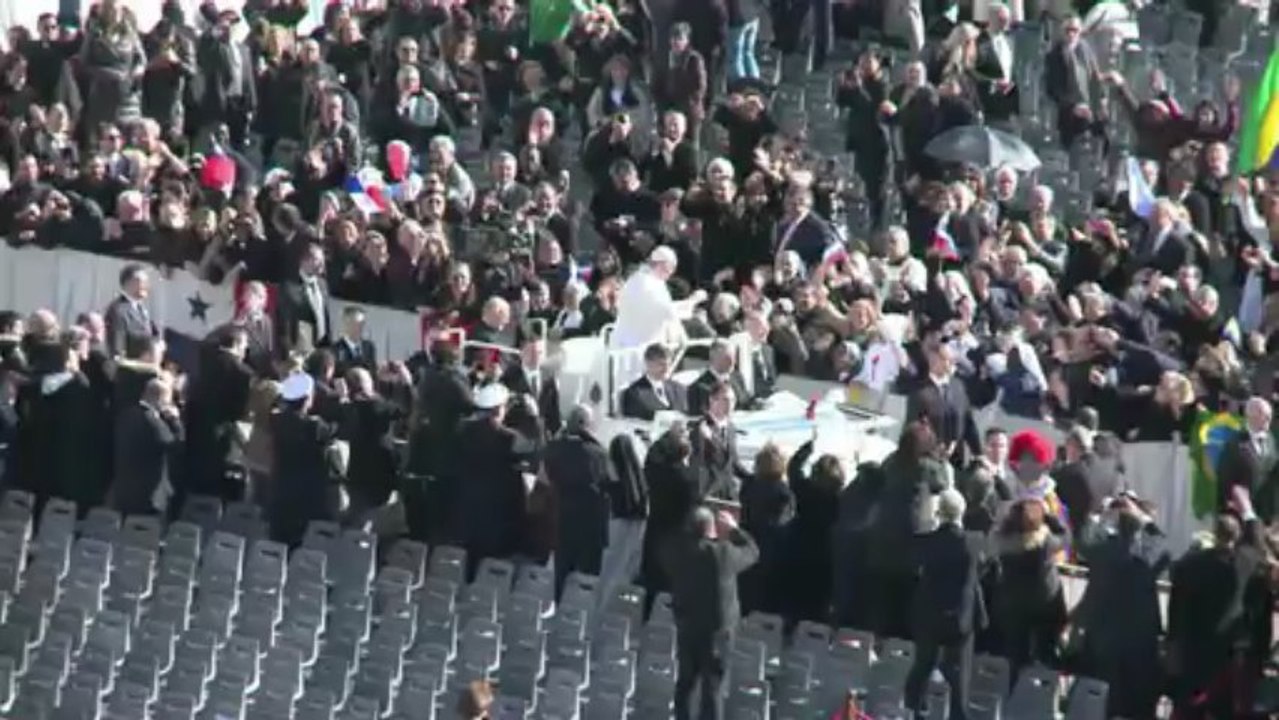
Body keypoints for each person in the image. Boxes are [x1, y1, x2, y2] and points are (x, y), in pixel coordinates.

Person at [1168, 490, 1274, 720]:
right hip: (1233, 658)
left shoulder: (1190, 566)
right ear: (1237, 537)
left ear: (1214, 534)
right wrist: (1247, 511)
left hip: (1196, 655)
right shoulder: (1249, 562)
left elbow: (1177, 612)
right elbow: (1259, 546)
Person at [1073, 494, 1171, 720]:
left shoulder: (1104, 550)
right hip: (1140, 638)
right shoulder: (1148, 555)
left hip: (1104, 635)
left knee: (1103, 701)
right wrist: (1145, 520)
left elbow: (1084, 541)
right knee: (1137, 703)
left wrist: (1098, 513)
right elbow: (1165, 549)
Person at [668, 505, 758, 720]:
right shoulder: (722, 554)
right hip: (717, 633)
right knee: (713, 688)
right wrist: (734, 530)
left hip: (687, 625)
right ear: (712, 528)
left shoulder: (677, 550)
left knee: (686, 683)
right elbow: (753, 551)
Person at [904, 489, 987, 720]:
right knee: (960, 677)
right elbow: (991, 568)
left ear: (939, 513)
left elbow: (912, 563)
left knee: (922, 667)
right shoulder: (975, 541)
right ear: (962, 513)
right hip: (962, 615)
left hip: (929, 613)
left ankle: (913, 711)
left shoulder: (927, 542)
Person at [453, 383, 536, 572]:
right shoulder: (507, 438)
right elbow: (534, 449)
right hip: (498, 516)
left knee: (470, 566)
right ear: (499, 409)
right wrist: (532, 417)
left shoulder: (462, 432)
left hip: (468, 512)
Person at [404, 340, 474, 544]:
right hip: (447, 450)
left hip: (426, 449)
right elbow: (470, 405)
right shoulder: (450, 379)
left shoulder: (427, 375)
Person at [543, 405, 615, 594]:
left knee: (562, 571)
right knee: (586, 577)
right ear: (587, 425)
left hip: (563, 517)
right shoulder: (598, 453)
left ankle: (560, 607)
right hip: (591, 524)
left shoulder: (554, 448)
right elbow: (610, 482)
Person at [992, 498, 1067, 677]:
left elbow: (997, 532)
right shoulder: (1046, 544)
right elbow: (1065, 537)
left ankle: (1013, 691)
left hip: (1014, 603)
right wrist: (1050, 517)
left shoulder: (1003, 543)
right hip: (1045, 603)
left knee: (1016, 654)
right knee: (1045, 652)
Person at [268, 372, 341, 546]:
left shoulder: (277, 420)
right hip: (307, 494)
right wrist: (341, 399)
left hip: (282, 488)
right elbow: (337, 427)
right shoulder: (313, 426)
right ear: (308, 398)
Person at [184, 326, 253, 502]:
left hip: (194, 426)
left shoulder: (200, 361)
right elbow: (240, 410)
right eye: (245, 345)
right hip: (221, 433)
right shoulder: (242, 373)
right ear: (237, 344)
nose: (246, 350)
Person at [338, 366, 408, 523]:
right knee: (375, 521)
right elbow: (402, 409)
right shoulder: (376, 407)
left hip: (356, 473)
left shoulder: (349, 408)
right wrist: (405, 381)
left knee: (357, 517)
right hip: (379, 472)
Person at [110, 376, 183, 516]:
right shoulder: (153, 422)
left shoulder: (126, 414)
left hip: (123, 489)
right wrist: (175, 421)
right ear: (161, 400)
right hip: (147, 493)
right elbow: (175, 446)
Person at [689, 381, 750, 504]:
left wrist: (753, 479)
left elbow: (733, 461)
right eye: (726, 400)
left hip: (728, 492)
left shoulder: (730, 428)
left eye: (733, 401)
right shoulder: (701, 428)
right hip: (708, 493)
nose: (730, 405)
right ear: (712, 400)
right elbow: (699, 462)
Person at [1218, 396, 1278, 517]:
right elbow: (1225, 477)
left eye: (1269, 414)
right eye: (1263, 413)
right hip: (1242, 510)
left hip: (1265, 510)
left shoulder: (1271, 440)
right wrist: (1231, 504)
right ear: (1249, 415)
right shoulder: (1234, 443)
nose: (1268, 418)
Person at [500, 327, 562, 436]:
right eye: (531, 353)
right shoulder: (509, 377)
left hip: (542, 436)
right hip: (517, 435)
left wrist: (555, 433)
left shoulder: (548, 376)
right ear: (522, 354)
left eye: (539, 353)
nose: (535, 357)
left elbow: (553, 410)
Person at [277, 243, 332, 357]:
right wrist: (289, 349)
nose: (322, 264)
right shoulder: (290, 287)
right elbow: (284, 320)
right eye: (317, 259)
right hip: (300, 348)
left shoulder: (322, 284)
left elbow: (325, 314)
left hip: (321, 346)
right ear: (304, 261)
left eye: (322, 259)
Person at [104, 263, 159, 359]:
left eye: (147, 281)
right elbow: (117, 349)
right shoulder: (118, 310)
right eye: (142, 281)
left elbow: (153, 336)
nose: (146, 285)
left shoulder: (141, 309)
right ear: (128, 283)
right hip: (130, 369)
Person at [620, 343, 689, 420]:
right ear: (648, 363)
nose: (666, 369)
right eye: (661, 364)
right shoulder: (634, 394)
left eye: (669, 364)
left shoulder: (679, 389)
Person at [687, 339, 752, 415]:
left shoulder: (737, 378)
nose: (733, 362)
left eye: (734, 358)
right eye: (728, 358)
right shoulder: (698, 389)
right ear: (713, 358)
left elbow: (747, 403)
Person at [333, 306, 377, 377]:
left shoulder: (369, 347)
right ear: (346, 323)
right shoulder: (335, 350)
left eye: (363, 323)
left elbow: (373, 373)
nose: (361, 327)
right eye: (356, 323)